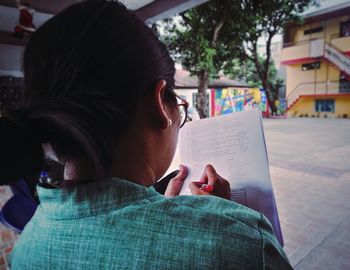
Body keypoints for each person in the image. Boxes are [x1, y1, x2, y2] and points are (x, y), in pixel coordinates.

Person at [0, 1, 292, 269]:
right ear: (159, 105)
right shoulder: (238, 246)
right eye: (180, 109)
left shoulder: (28, 245)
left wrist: (165, 212)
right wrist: (225, 222)